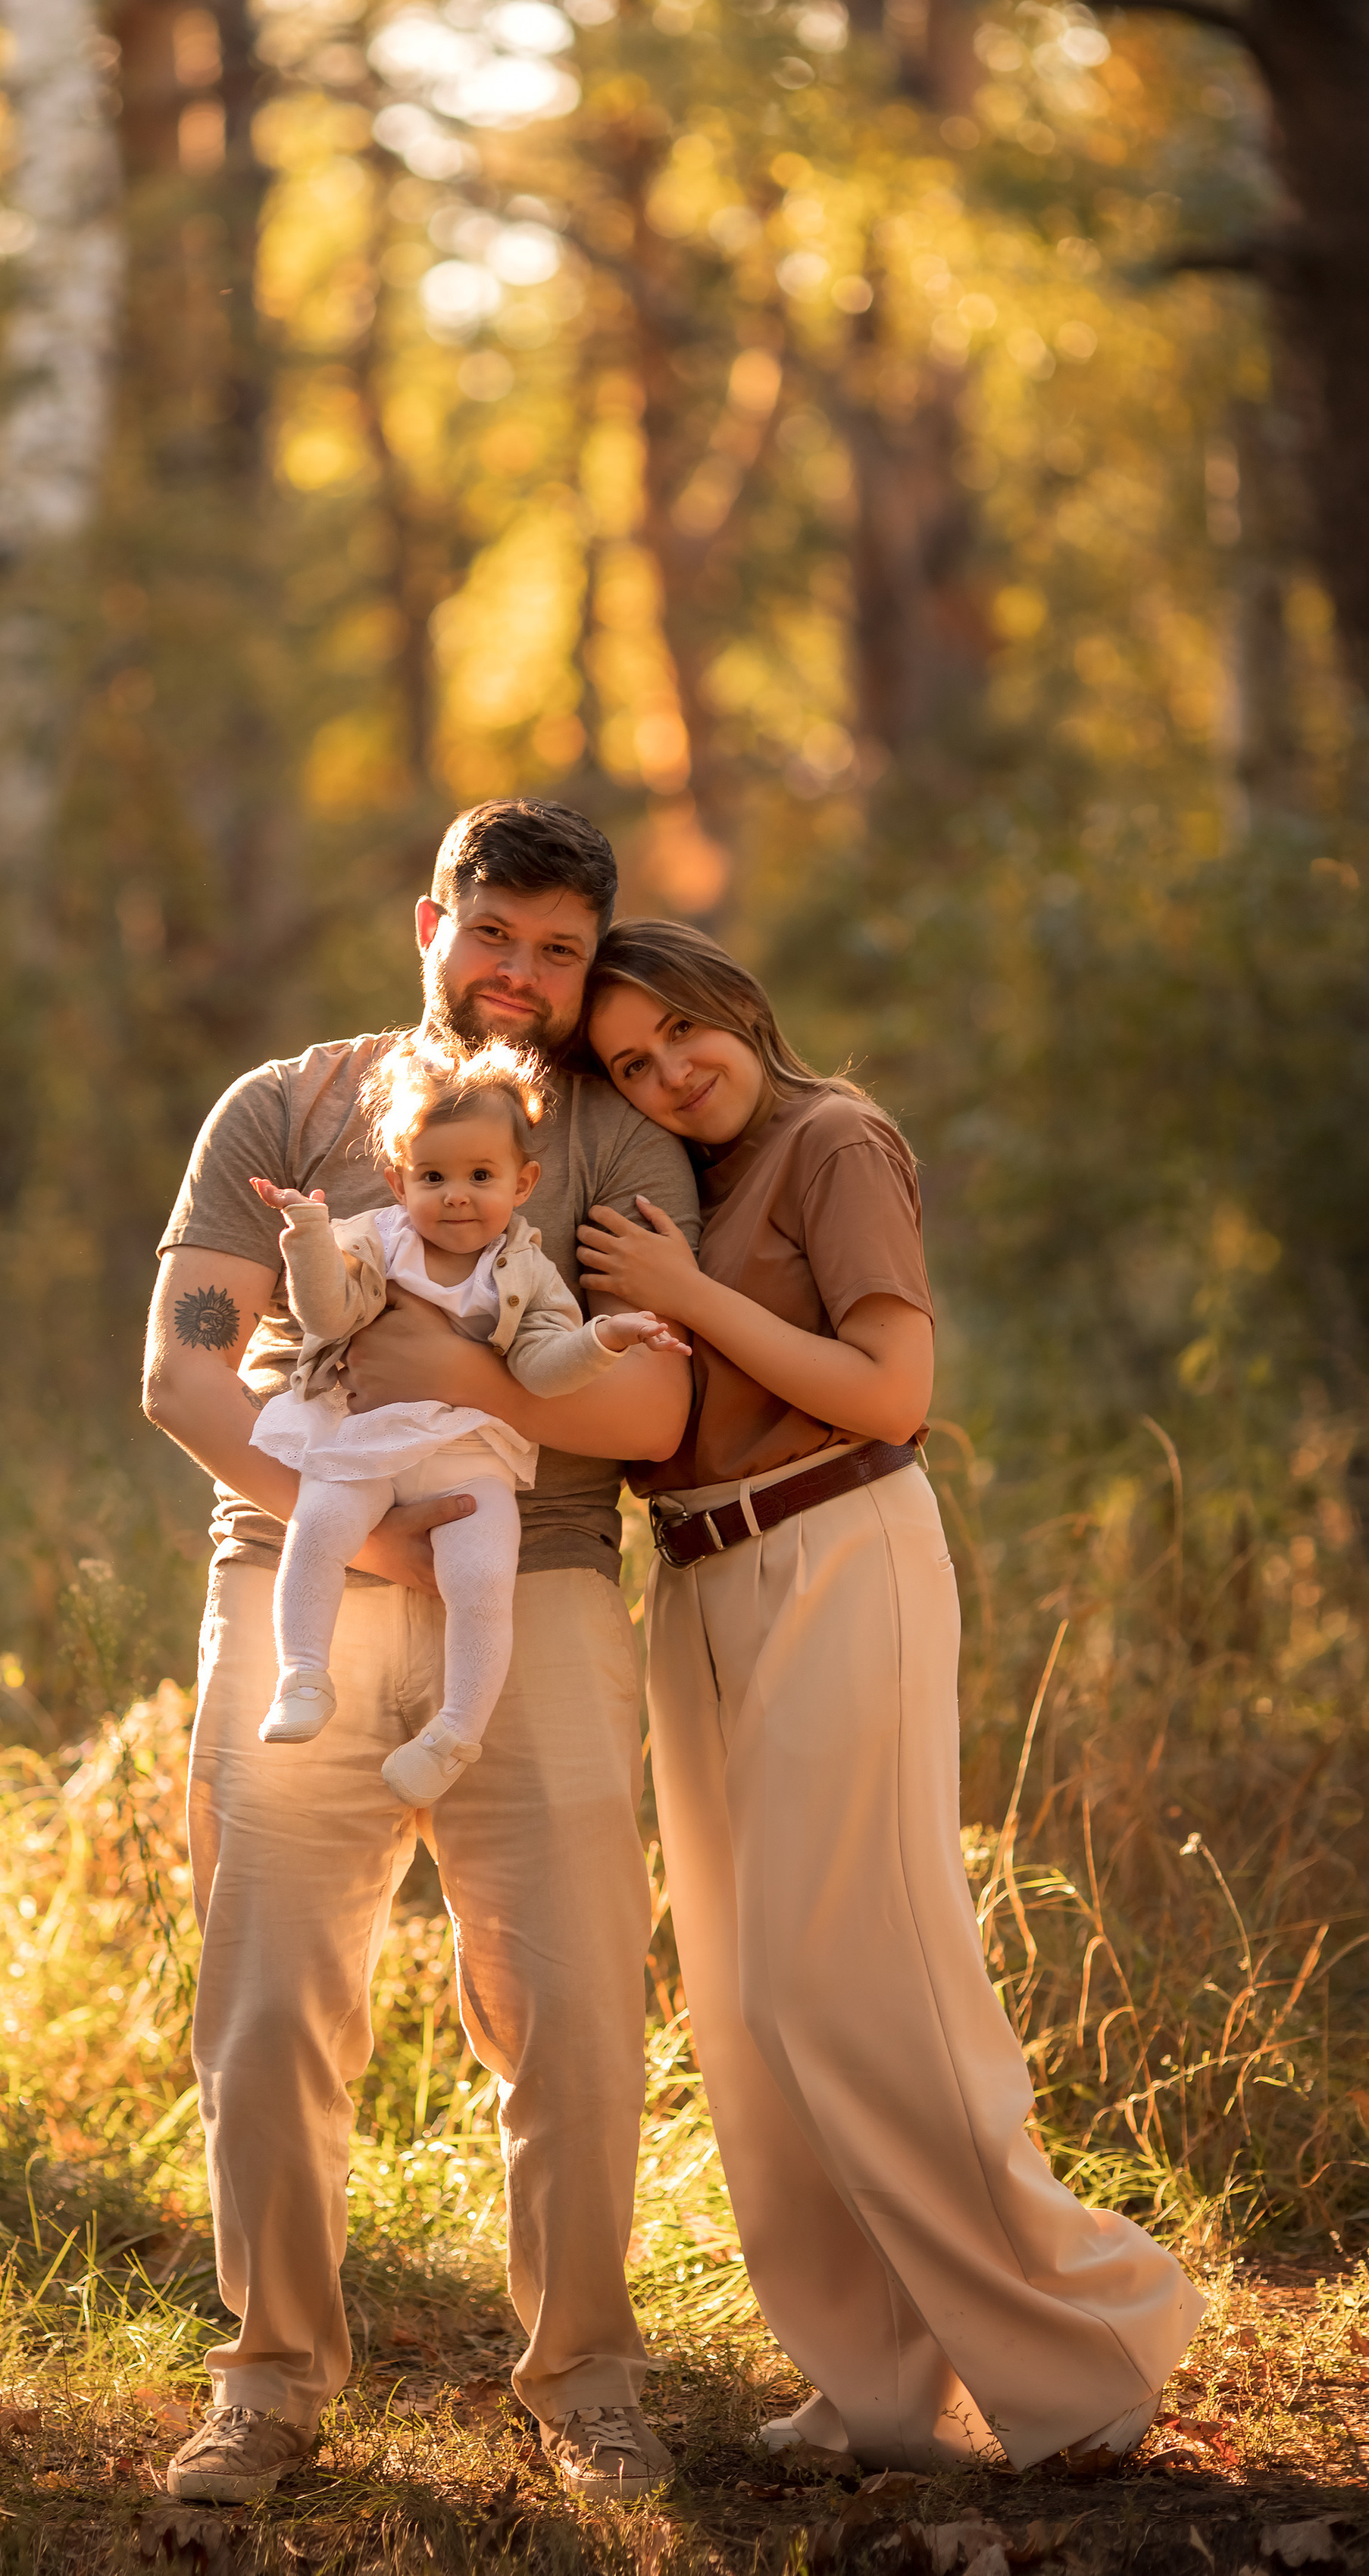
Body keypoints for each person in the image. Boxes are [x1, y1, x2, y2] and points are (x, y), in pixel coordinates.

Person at [576, 917, 1205, 2474]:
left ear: (735, 1003)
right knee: (745, 2003)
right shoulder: (679, 1182)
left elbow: (891, 1387)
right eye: (628, 1064)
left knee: (855, 1977)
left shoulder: (830, 1136)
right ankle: (870, 2380)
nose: (668, 1071)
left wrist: (684, 1293)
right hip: (694, 1578)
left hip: (831, 1546)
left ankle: (1090, 2346)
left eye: (679, 1035)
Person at [142, 800, 696, 2506]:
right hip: (295, 1581)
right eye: (494, 933)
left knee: (579, 2011)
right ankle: (269, 2379)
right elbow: (185, 1377)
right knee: (264, 2010)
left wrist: (456, 1388)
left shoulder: (608, 1146)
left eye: (559, 948)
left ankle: (586, 2378)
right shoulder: (285, 1104)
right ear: (426, 922)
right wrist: (372, 1528)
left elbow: (657, 1402)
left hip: (530, 1596)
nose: (520, 974)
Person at [248, 1034, 686, 1807]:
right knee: (317, 1527)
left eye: (480, 1176)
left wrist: (604, 1337)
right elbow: (325, 1309)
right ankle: (303, 1674)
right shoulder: (372, 1241)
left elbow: (543, 1370)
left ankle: (455, 1731)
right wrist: (308, 1235)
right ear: (396, 1179)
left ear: (522, 1184)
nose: (456, 1194)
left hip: (470, 1452)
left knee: (482, 1577)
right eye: (433, 1176)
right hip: (370, 1435)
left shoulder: (525, 1271)